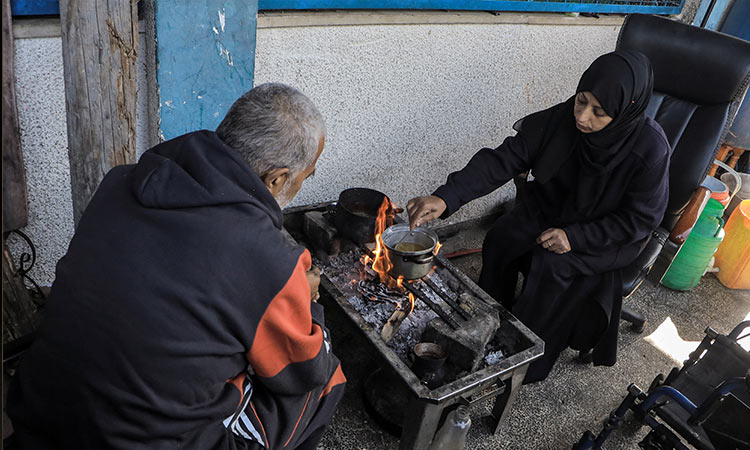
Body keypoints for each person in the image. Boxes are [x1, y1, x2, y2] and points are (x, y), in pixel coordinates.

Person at [7, 83, 346, 449]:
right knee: (327, 378)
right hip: (145, 441)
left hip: (42, 415)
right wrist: (308, 303)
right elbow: (302, 371)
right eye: (303, 177)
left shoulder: (119, 182)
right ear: (276, 178)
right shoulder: (269, 259)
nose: (300, 185)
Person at [406, 51, 670, 383]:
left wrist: (574, 238)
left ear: (625, 111)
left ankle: (523, 358)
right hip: (556, 208)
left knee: (552, 265)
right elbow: (505, 158)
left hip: (606, 235)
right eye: (581, 101)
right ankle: (487, 321)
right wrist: (447, 197)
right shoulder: (563, 118)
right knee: (503, 236)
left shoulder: (650, 149)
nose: (583, 117)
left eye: (599, 112)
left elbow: (639, 220)